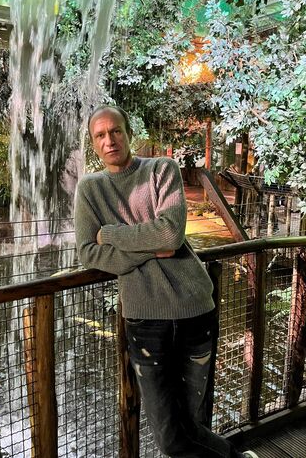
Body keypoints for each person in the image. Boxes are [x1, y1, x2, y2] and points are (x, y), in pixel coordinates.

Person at [74, 105, 258, 458]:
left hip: (194, 310)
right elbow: (88, 252)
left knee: (195, 420)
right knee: (171, 436)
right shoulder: (90, 189)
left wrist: (110, 234)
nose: (110, 140)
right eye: (100, 135)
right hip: (146, 322)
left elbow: (171, 234)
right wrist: (152, 247)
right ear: (93, 143)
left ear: (129, 133)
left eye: (116, 131)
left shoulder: (161, 169)